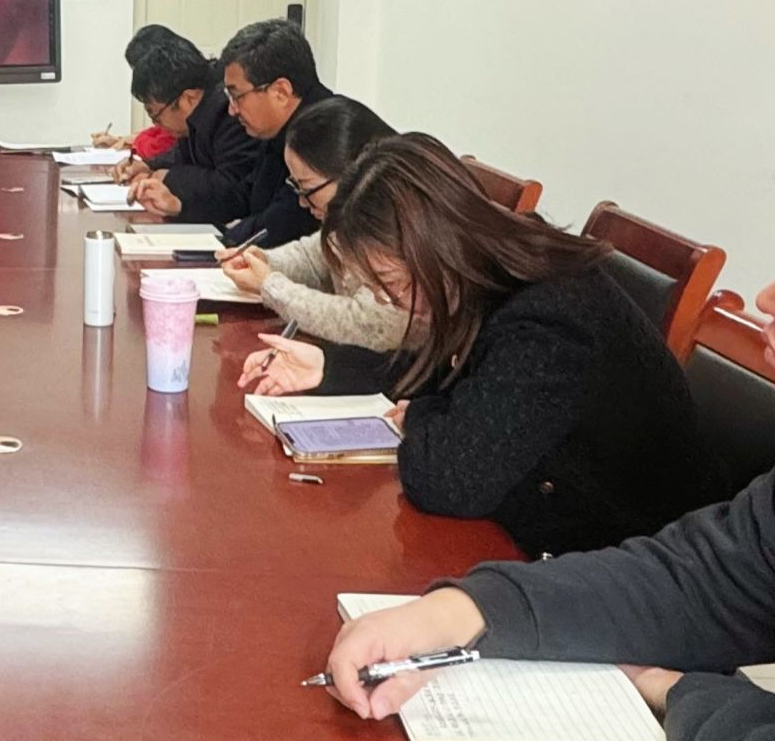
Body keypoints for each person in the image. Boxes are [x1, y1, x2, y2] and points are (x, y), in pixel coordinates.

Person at [319, 279, 775, 741]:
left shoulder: (552, 315)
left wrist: (681, 692)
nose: (767, 299)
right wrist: (466, 610)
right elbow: (706, 576)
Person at [240, 134, 728, 557]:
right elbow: (448, 373)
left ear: (437, 246)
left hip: (638, 563)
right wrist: (329, 366)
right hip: (563, 534)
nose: (392, 302)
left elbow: (448, 481)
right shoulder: (497, 271)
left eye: (393, 284)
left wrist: (424, 415)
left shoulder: (548, 319)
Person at [218, 96, 405, 349]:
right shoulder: (347, 219)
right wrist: (264, 261)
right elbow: (314, 258)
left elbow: (371, 324)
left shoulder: (400, 224)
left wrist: (270, 286)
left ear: (352, 172)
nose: (302, 202)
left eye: (306, 188)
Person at [216, 18, 337, 248]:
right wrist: (180, 202)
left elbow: (283, 225)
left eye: (237, 96)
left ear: (280, 92)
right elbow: (247, 194)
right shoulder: (279, 128)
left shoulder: (325, 133)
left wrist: (222, 243)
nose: (232, 110)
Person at [121, 37, 262, 225]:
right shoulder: (196, 114)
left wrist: (168, 177)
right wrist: (148, 164)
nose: (156, 124)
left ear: (188, 98)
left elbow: (229, 186)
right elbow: (183, 154)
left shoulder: (229, 114)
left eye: (156, 115)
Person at [91, 24, 186, 158]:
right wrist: (121, 140)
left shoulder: (181, 92)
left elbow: (164, 146)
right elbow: (159, 132)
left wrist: (135, 142)